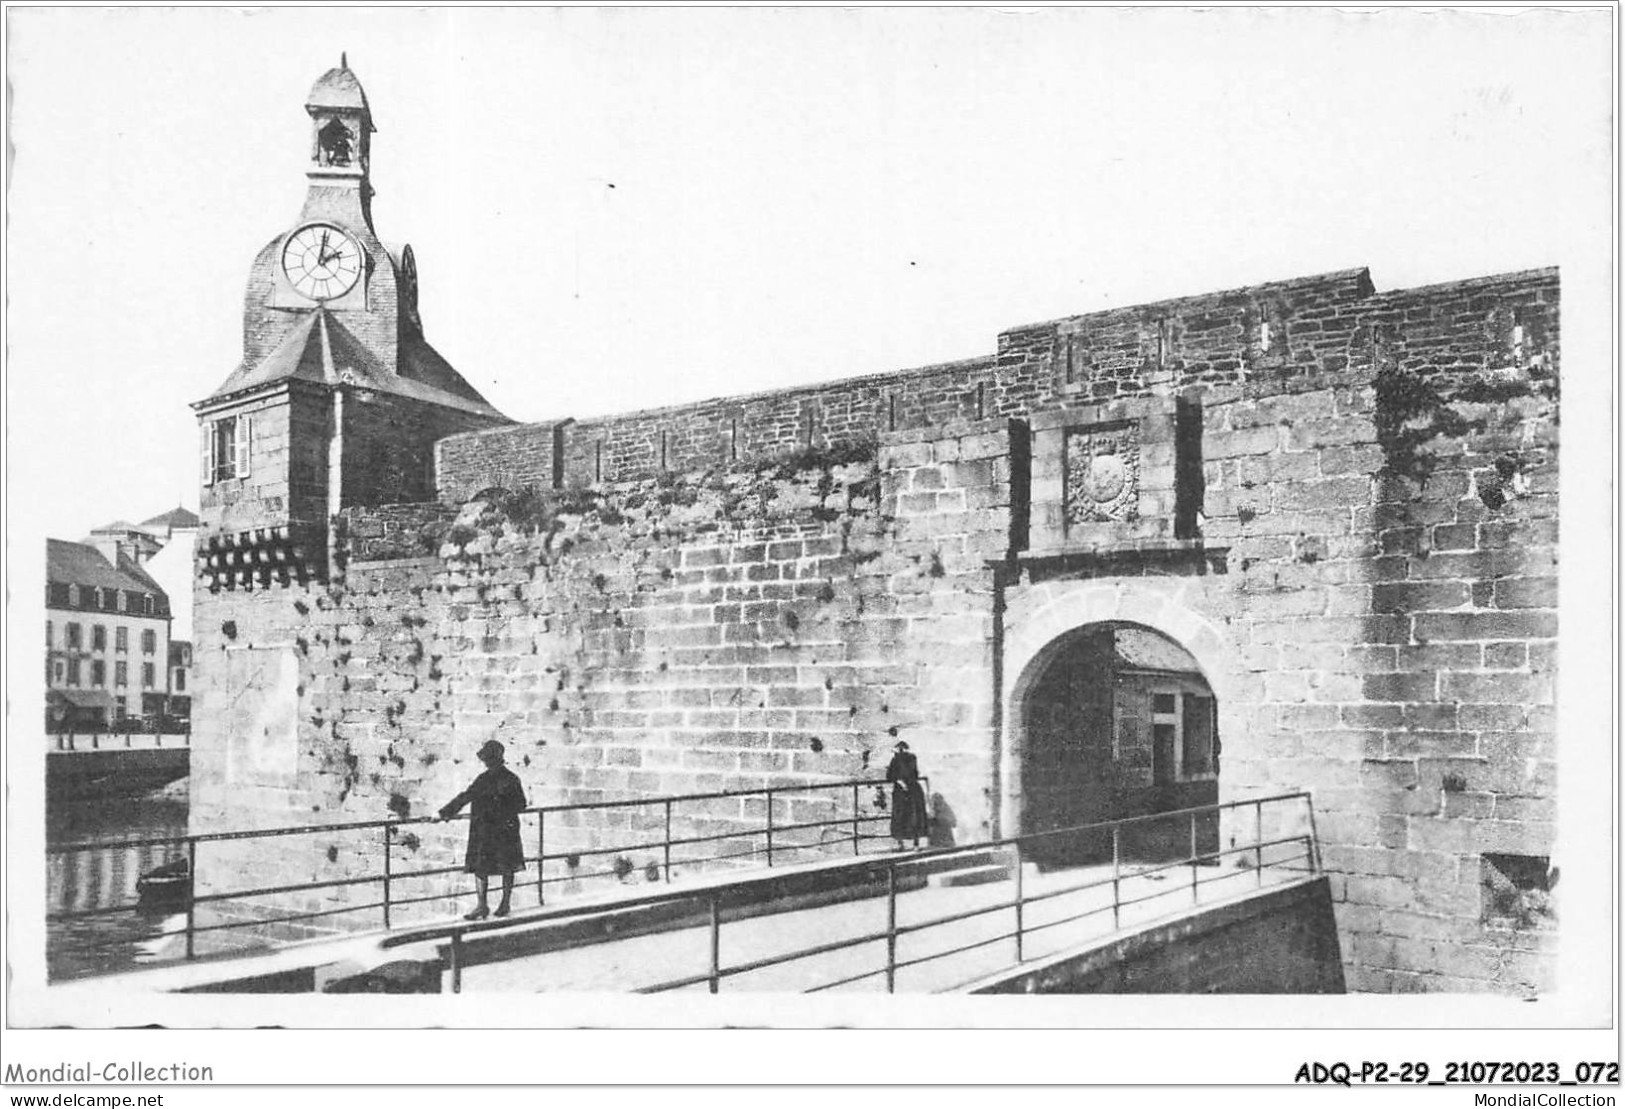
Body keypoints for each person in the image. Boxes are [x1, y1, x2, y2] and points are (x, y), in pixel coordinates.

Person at [438, 740, 528, 920]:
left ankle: (492, 904)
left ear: (493, 760)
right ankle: (494, 904)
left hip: (493, 831)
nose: (487, 762)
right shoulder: (498, 779)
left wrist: (443, 813)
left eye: (488, 759)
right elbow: (466, 796)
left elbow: (465, 797)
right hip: (495, 831)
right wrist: (444, 812)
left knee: (494, 867)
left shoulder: (497, 779)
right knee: (498, 866)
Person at [885, 740, 928, 850]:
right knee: (914, 815)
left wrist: (900, 782)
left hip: (901, 791)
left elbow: (890, 776)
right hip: (914, 789)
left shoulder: (896, 759)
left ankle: (901, 844)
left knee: (900, 815)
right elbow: (915, 774)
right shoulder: (912, 758)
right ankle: (915, 844)